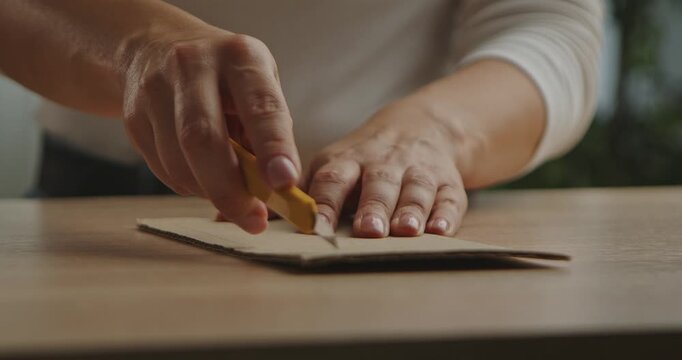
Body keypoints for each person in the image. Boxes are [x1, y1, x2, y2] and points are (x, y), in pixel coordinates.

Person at [0, 0, 602, 238]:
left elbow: (549, 27)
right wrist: (135, 45)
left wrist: (432, 130)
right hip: (93, 226)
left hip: (387, 226)